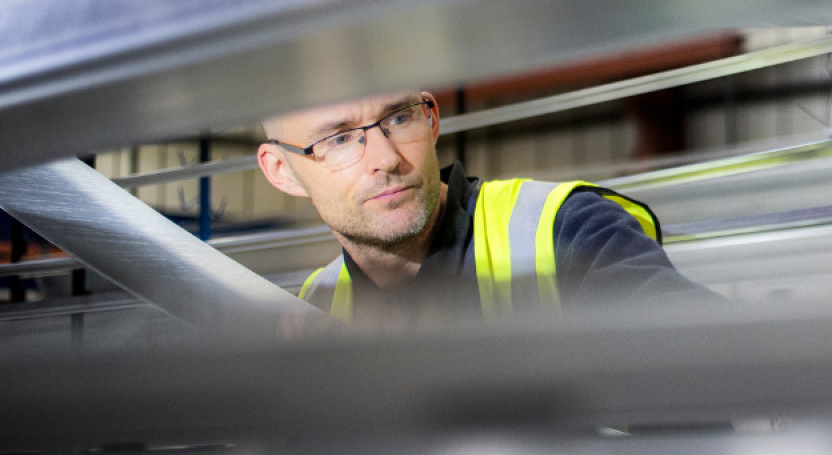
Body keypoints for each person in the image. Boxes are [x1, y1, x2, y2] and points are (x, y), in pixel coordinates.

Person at [256, 90, 715, 327]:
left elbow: (707, 365)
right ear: (281, 171)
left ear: (431, 119)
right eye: (338, 139)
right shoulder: (315, 307)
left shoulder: (567, 231)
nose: (386, 159)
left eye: (399, 118)